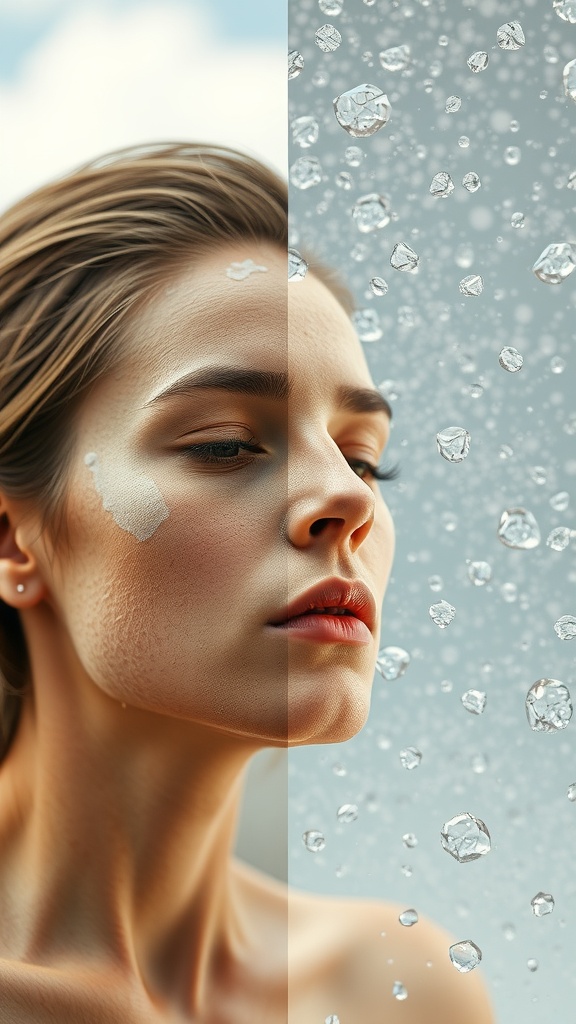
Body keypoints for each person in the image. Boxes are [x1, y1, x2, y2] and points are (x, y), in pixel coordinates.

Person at [0, 142, 494, 1022]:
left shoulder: (398, 991)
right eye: (226, 444)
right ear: (13, 538)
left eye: (364, 455)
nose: (347, 498)